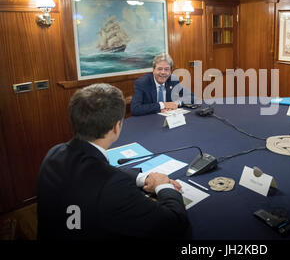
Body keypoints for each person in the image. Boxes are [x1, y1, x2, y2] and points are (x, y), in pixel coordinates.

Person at [37, 83, 190, 240]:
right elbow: (173, 224)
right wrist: (163, 186)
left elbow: (97, 171)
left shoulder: (55, 153)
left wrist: (142, 178)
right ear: (117, 126)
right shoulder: (114, 186)